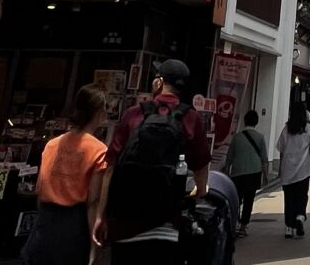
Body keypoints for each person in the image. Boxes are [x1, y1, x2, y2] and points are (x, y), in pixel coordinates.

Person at [102, 59, 210, 265]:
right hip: (167, 226)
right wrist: (201, 190)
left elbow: (110, 168)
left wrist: (101, 215)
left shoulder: (133, 114)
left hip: (125, 224)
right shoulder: (191, 118)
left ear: (158, 83)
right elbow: (201, 166)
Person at [23, 83, 109, 265]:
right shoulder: (99, 151)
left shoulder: (52, 144)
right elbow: (93, 202)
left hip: (44, 224)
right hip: (74, 227)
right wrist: (95, 248)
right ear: (99, 112)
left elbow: (40, 188)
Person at [222, 110, 267, 237]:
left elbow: (229, 157)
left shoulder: (237, 137)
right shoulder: (260, 137)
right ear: (256, 122)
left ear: (244, 121)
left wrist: (226, 170)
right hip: (254, 172)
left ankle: (235, 223)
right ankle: (243, 226)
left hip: (238, 172)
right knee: (249, 199)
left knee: (237, 199)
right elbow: (264, 158)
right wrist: (266, 175)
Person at [275, 102, 310, 239]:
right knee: (302, 195)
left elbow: (280, 148)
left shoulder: (287, 128)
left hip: (288, 169)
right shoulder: (309, 128)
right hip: (303, 170)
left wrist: (280, 168)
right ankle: (300, 216)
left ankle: (289, 227)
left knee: (289, 198)